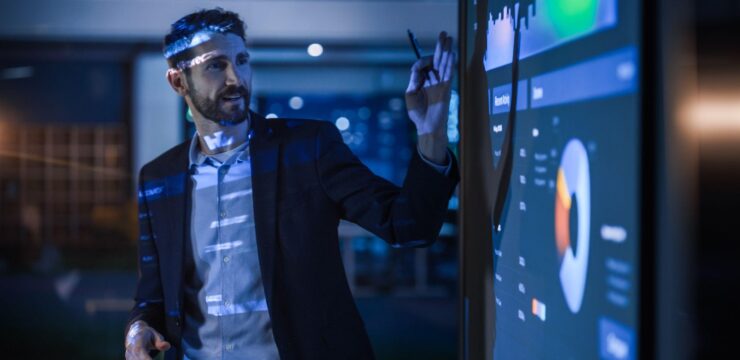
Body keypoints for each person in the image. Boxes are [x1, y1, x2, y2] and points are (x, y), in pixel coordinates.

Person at [124, 8, 458, 360]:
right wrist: (138, 330)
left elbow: (410, 226)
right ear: (178, 82)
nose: (235, 77)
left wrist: (431, 132)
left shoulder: (307, 149)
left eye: (241, 60)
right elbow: (152, 298)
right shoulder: (159, 179)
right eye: (215, 65)